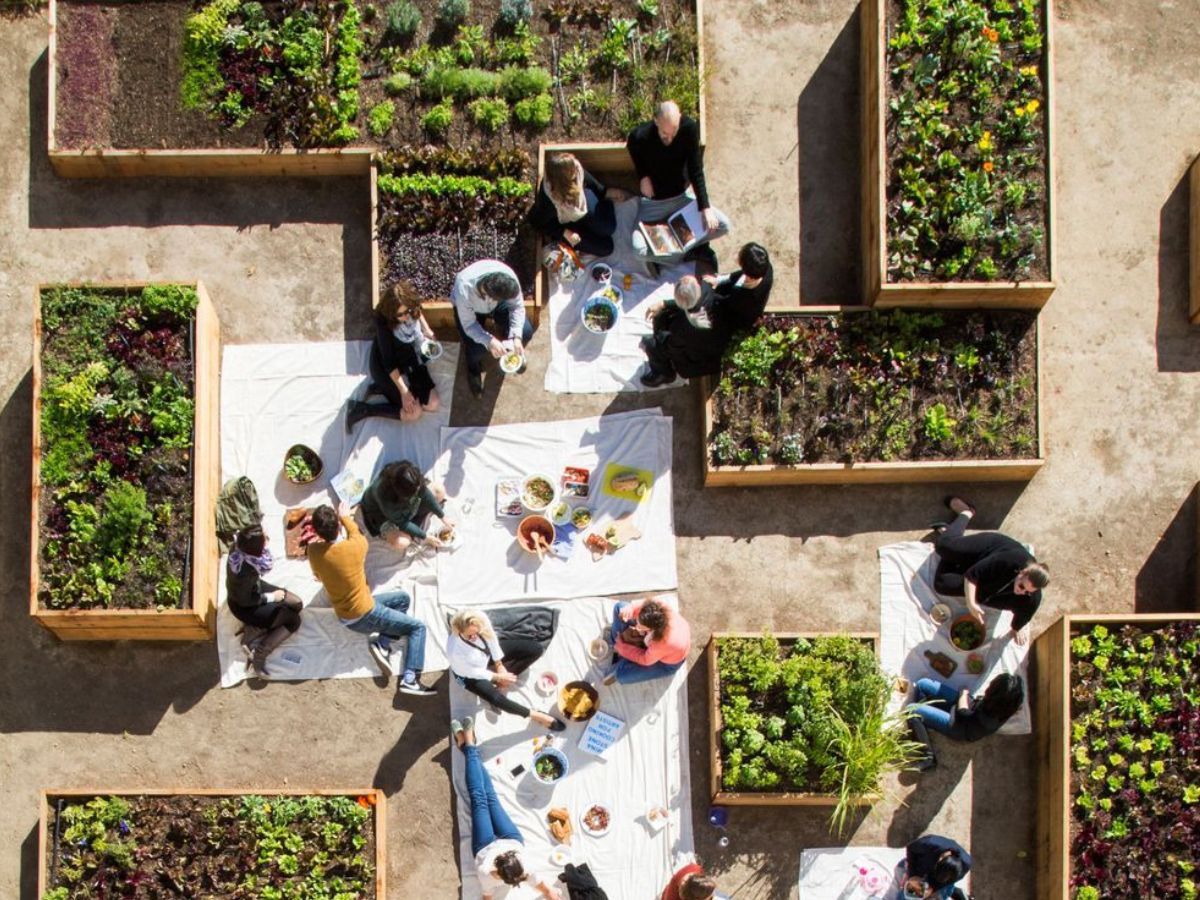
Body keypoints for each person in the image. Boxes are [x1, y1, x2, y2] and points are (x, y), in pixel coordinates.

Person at [307, 503, 436, 696]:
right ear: (339, 526)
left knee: (402, 598)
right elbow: (354, 531)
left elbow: (318, 575)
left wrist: (342, 520)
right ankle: (410, 678)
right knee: (417, 628)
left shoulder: (314, 552)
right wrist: (345, 517)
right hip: (365, 613)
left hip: (348, 613)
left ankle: (382, 643)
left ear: (316, 531)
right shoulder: (357, 545)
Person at [451, 717, 563, 900]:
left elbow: (488, 897)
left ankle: (467, 746)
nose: (523, 878)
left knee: (479, 799)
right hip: (510, 839)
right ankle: (468, 745)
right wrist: (550, 893)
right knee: (490, 796)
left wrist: (548, 893)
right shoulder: (509, 867)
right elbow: (545, 888)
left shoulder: (485, 872)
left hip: (484, 846)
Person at [626, 100, 731, 269]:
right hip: (654, 204)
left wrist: (705, 207)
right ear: (656, 121)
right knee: (638, 250)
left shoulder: (689, 129)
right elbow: (631, 144)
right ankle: (677, 256)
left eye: (674, 132)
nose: (669, 139)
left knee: (724, 225)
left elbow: (696, 170)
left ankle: (680, 252)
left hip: (681, 200)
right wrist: (643, 176)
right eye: (664, 134)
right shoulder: (642, 135)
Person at [934, 496, 1049, 645]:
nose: (1021, 592)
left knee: (942, 585)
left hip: (987, 579)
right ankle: (966, 513)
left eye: (1028, 591)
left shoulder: (1032, 600)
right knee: (944, 546)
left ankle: (955, 552)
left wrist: (1016, 629)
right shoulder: (1010, 559)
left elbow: (1023, 617)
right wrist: (971, 603)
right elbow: (972, 575)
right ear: (1022, 572)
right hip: (987, 550)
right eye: (1021, 586)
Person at [447, 609, 565, 731]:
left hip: (485, 655)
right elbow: (472, 672)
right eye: (470, 636)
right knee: (496, 699)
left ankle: (501, 683)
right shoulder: (454, 651)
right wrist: (497, 676)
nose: (475, 636)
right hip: (468, 675)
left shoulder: (479, 618)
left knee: (536, 649)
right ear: (459, 632)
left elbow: (491, 638)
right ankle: (539, 716)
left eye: (477, 632)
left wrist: (499, 665)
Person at [346, 282, 439, 431]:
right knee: (415, 413)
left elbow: (417, 311)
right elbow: (389, 362)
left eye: (407, 311)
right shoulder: (383, 320)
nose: (405, 317)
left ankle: (382, 389)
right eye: (400, 315)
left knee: (432, 404)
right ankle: (362, 409)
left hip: (408, 355)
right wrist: (404, 392)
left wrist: (427, 330)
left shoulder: (411, 307)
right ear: (391, 313)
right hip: (386, 366)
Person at [451, 259, 535, 398]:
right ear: (488, 294)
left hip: (497, 304)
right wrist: (489, 341)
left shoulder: (508, 278)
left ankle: (507, 338)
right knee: (476, 348)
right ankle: (473, 369)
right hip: (471, 311)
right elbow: (469, 325)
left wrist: (516, 337)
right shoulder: (464, 288)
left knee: (525, 331)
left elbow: (517, 307)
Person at [225, 524, 302, 676]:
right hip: (245, 606)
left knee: (297, 604)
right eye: (264, 540)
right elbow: (245, 600)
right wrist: (272, 597)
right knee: (294, 620)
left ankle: (256, 629)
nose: (267, 538)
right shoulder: (246, 574)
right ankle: (260, 654)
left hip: (253, 590)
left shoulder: (241, 546)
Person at [906, 673, 1025, 769]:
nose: (989, 687)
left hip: (960, 727)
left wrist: (964, 693)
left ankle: (928, 757)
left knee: (911, 709)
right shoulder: (1006, 706)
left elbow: (963, 712)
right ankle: (921, 725)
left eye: (992, 687)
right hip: (969, 709)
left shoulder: (988, 720)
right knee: (922, 684)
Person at [639, 275, 733, 387]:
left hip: (703, 358)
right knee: (663, 315)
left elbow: (673, 348)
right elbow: (689, 304)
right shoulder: (706, 290)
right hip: (715, 334)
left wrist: (659, 338)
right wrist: (663, 304)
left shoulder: (683, 330)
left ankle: (664, 374)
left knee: (652, 345)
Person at [527, 152, 621, 258]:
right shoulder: (549, 199)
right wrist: (564, 232)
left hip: (581, 206)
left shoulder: (576, 169)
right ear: (566, 180)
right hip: (566, 222)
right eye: (573, 170)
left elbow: (592, 183)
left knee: (609, 227)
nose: (577, 168)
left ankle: (590, 228)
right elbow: (536, 222)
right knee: (607, 248)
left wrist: (606, 192)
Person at [360, 460, 454, 554]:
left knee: (439, 490)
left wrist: (442, 516)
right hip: (381, 515)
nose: (419, 490)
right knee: (402, 542)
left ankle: (415, 523)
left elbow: (423, 492)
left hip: (404, 501)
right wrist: (425, 537)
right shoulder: (385, 499)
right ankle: (397, 532)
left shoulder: (404, 473)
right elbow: (403, 523)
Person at [605, 597, 690, 685]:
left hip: (667, 663)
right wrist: (630, 609)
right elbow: (642, 604)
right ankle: (617, 643)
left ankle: (622, 660)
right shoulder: (658, 607)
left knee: (622, 676)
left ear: (651, 628)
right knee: (620, 607)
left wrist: (623, 649)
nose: (636, 626)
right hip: (656, 646)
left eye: (640, 625)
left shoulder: (662, 642)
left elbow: (645, 659)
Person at [704, 242, 774, 331]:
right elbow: (742, 273)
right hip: (737, 299)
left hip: (737, 317)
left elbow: (725, 302)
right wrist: (719, 280)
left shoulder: (744, 298)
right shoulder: (765, 267)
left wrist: (709, 294)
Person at [902, 834, 972, 900]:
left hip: (942, 882)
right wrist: (912, 874)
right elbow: (911, 848)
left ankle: (955, 892)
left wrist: (933, 889)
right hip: (920, 867)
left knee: (941, 894)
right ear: (940, 859)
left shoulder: (965, 865)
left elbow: (948, 882)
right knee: (908, 895)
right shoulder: (929, 843)